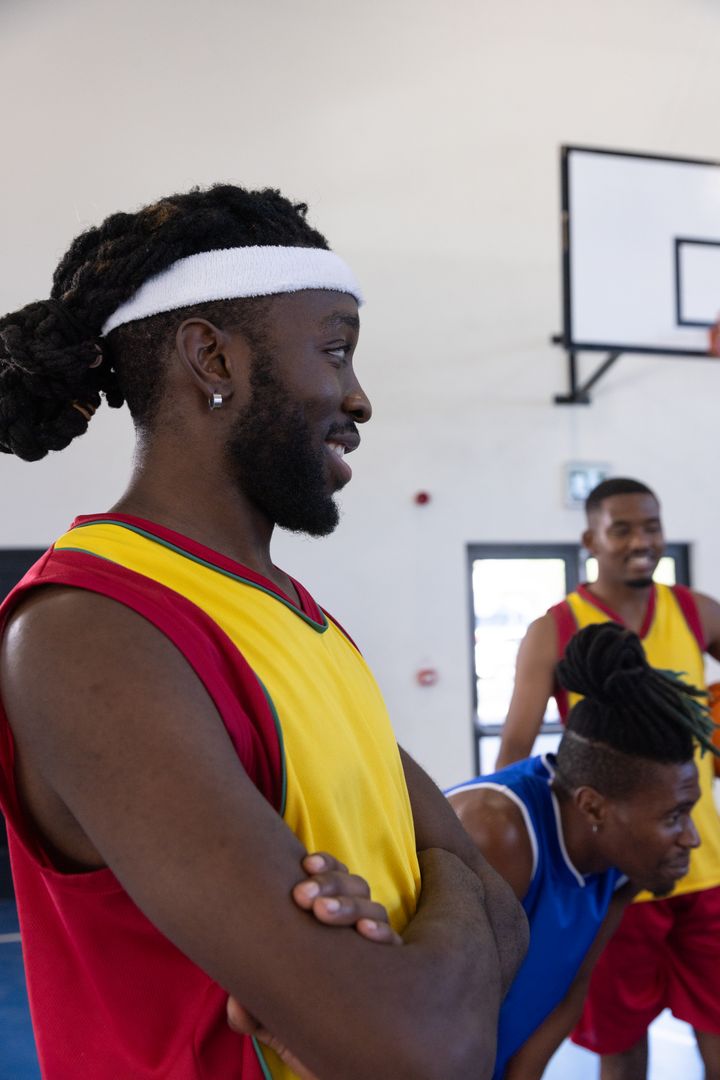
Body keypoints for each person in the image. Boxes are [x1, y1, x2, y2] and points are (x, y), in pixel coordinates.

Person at [0, 185, 527, 1080]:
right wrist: (453, 907)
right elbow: (423, 1051)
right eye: (335, 350)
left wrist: (434, 930)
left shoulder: (303, 620)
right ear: (213, 357)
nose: (359, 399)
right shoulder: (90, 630)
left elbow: (504, 905)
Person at [496, 476, 720, 1080]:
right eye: (622, 529)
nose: (640, 541)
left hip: (706, 868)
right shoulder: (555, 629)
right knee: (620, 1045)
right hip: (615, 874)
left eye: (651, 526)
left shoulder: (695, 611)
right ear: (590, 538)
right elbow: (514, 754)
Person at [448, 621, 714, 1079]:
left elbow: (569, 986)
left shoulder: (625, 859)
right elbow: (431, 1011)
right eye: (673, 817)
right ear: (593, 805)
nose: (692, 837)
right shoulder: (496, 836)